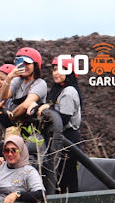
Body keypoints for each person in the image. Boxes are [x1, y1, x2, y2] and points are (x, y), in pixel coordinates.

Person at [0, 47, 48, 165]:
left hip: (32, 135)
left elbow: (26, 104)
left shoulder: (40, 84)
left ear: (35, 65)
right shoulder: (17, 81)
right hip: (17, 134)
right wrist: (9, 77)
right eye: (21, 63)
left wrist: (12, 116)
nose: (24, 66)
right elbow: (4, 96)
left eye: (27, 63)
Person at [32, 56, 83, 193]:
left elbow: (63, 119)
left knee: (66, 177)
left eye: (60, 69)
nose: (56, 73)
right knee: (54, 175)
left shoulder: (69, 91)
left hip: (68, 138)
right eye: (54, 69)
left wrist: (45, 110)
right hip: (57, 138)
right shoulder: (57, 90)